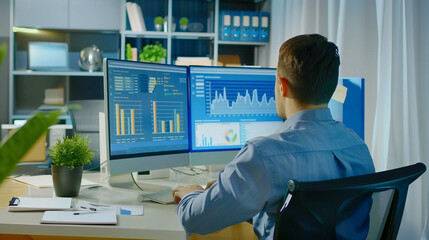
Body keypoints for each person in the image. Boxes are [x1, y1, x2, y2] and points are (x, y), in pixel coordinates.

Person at [173, 34, 375, 239]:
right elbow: (318, 221)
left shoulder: (264, 156)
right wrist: (240, 196)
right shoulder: (359, 148)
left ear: (282, 86)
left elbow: (195, 219)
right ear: (331, 87)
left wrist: (192, 193)